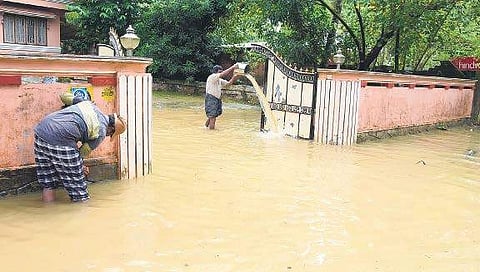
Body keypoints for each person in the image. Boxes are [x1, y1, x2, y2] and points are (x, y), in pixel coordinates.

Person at [33, 97, 127, 203]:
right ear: (111, 128)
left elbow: (65, 97)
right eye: (110, 134)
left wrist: (78, 100)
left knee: (48, 183)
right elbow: (83, 152)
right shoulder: (101, 131)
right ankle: (82, 215)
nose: (107, 135)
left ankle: (48, 209)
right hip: (61, 142)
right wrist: (80, 166)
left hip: (41, 133)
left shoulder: (89, 104)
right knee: (79, 191)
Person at [204, 63, 240, 129]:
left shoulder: (219, 80)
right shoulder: (213, 76)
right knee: (213, 117)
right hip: (211, 99)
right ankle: (211, 133)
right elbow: (224, 74)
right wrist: (233, 67)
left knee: (212, 116)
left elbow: (228, 84)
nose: (221, 73)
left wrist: (235, 76)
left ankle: (205, 127)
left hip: (216, 99)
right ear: (216, 72)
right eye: (220, 72)